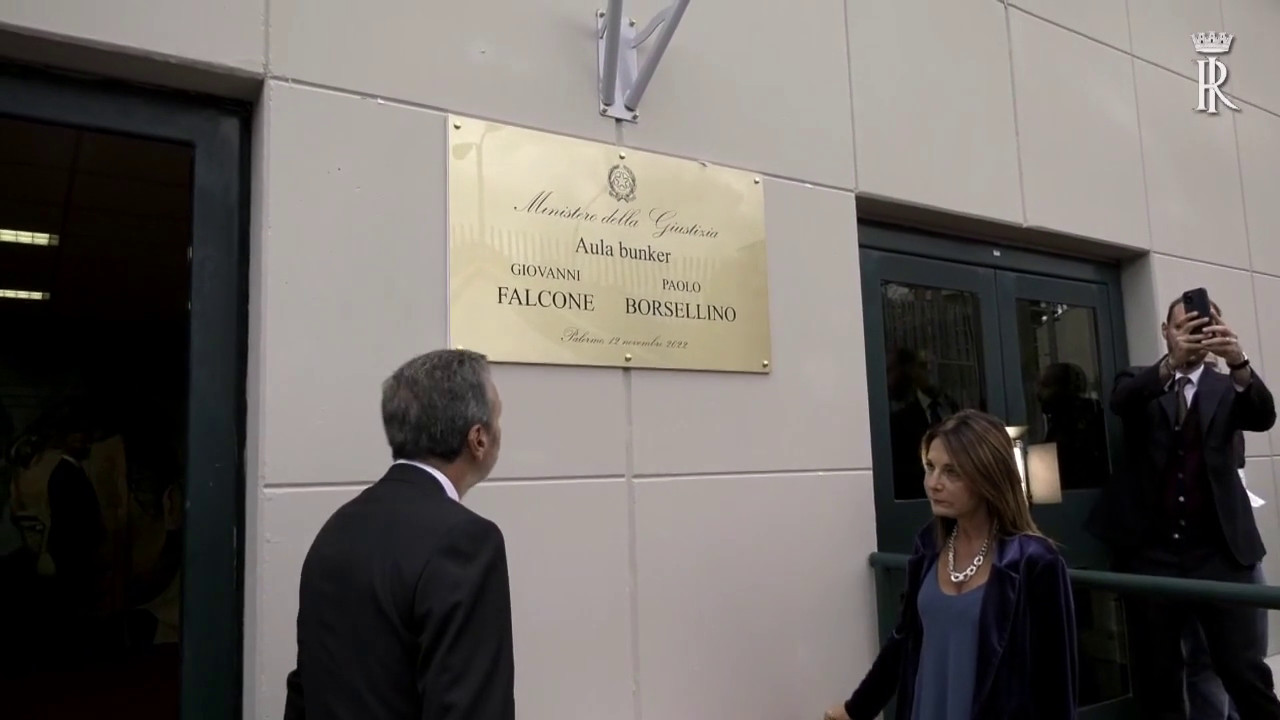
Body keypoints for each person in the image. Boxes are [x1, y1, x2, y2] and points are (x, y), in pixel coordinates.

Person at [284, 349, 513, 720]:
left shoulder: (338, 527)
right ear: (478, 439)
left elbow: (305, 689)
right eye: (497, 417)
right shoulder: (467, 541)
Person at [825, 409, 1077, 720]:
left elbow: (1055, 684)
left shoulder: (1034, 561)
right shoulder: (929, 544)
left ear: (988, 475)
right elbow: (904, 640)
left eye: (952, 472)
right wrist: (856, 709)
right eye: (930, 467)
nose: (933, 483)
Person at [1094, 297, 1280, 718]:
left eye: (1202, 328)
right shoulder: (1139, 379)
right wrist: (1169, 364)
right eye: (1183, 328)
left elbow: (1263, 416)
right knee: (1157, 676)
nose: (1191, 337)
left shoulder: (1228, 384)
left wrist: (1238, 361)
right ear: (1166, 331)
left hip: (1218, 553)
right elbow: (1122, 402)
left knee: (1243, 671)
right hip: (1153, 554)